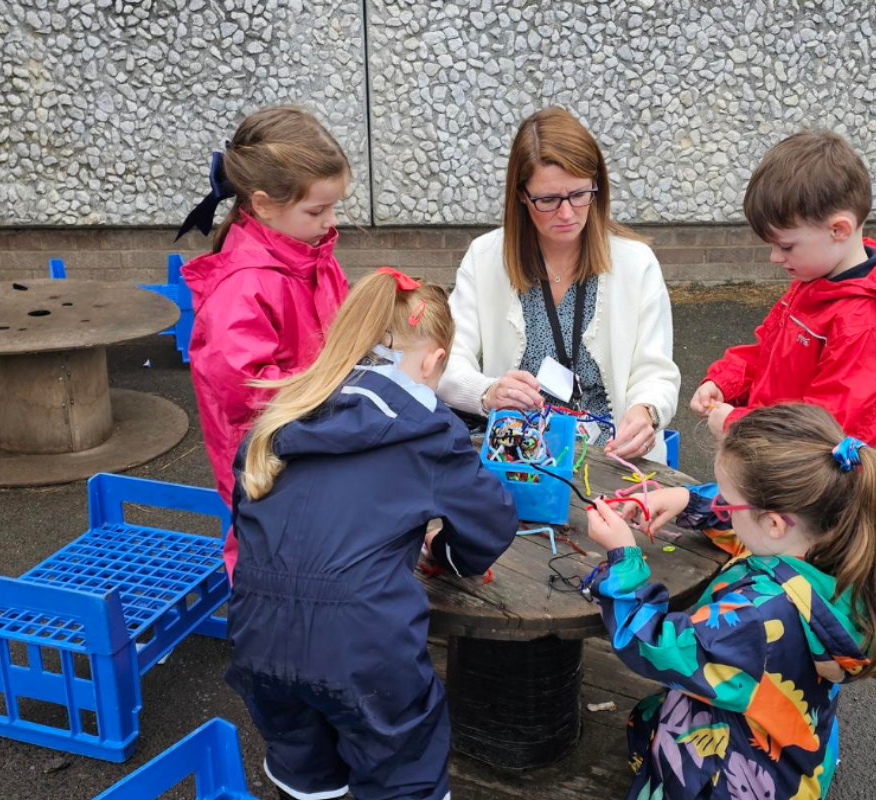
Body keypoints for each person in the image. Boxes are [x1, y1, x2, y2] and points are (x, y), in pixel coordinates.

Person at [226, 268, 519, 800]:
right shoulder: (429, 430)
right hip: (365, 651)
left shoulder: (279, 412)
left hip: (257, 637)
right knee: (402, 772)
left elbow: (247, 519)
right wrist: (451, 555)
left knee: (304, 778)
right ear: (434, 362)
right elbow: (492, 521)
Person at [583, 402, 876, 800]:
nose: (724, 509)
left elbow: (655, 645)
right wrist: (685, 499)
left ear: (774, 522)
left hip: (739, 777)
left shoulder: (758, 617)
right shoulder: (836, 541)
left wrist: (622, 561)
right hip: (796, 747)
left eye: (728, 504)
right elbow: (757, 530)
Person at [438, 107, 680, 462]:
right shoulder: (485, 257)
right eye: (548, 200)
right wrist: (487, 392)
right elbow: (446, 360)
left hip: (615, 457)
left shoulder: (636, 262)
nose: (567, 214)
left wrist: (647, 412)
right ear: (521, 195)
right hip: (520, 459)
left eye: (580, 194)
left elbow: (655, 371)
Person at [178, 105, 352, 576]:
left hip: (312, 433)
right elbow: (246, 388)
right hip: (266, 457)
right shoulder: (244, 285)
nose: (330, 221)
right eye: (317, 209)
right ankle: (266, 636)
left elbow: (341, 325)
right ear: (261, 203)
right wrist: (337, 389)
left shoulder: (311, 254)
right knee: (270, 553)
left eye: (334, 206)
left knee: (314, 547)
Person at [690, 130, 876, 446]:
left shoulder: (865, 325)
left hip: (804, 481)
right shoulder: (816, 283)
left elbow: (820, 428)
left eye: (785, 246)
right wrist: (725, 382)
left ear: (838, 230)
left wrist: (737, 423)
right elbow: (768, 351)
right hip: (768, 454)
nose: (775, 258)